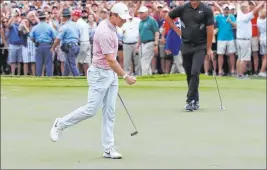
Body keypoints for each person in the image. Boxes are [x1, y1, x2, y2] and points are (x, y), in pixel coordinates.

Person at [50, 2, 136, 159]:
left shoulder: (111, 27)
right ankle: (60, 124)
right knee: (91, 110)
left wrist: (116, 75)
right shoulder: (105, 32)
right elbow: (110, 59)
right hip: (100, 74)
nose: (124, 20)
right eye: (122, 18)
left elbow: (111, 61)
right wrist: (125, 76)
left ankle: (108, 149)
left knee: (110, 113)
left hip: (110, 74)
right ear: (113, 16)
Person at [165, 0, 214, 111]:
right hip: (186, 45)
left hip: (200, 46)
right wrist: (177, 30)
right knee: (189, 74)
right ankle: (195, 99)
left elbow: (210, 30)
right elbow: (168, 17)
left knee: (195, 71)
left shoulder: (206, 10)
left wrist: (209, 48)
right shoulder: (183, 8)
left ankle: (190, 100)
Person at [50, 8, 80, 77]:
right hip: (76, 46)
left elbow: (58, 39)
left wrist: (53, 47)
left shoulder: (64, 27)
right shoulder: (75, 24)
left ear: (64, 17)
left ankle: (78, 78)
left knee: (71, 64)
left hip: (70, 46)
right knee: (67, 63)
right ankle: (64, 77)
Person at [30, 11, 56, 77]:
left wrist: (35, 41)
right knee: (48, 63)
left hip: (39, 45)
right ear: (45, 18)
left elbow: (31, 37)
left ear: (39, 18)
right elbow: (55, 37)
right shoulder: (49, 27)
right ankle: (49, 78)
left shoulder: (35, 27)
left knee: (39, 63)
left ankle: (38, 78)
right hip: (48, 45)